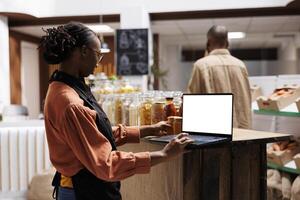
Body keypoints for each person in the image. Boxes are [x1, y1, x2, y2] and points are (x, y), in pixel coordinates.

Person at [40, 22, 193, 200]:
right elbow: (105, 164)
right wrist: (165, 154)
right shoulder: (70, 102)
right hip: (82, 190)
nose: (98, 64)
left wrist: (146, 130)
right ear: (83, 51)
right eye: (98, 55)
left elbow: (93, 134)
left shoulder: (61, 86)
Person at [187, 25, 252, 129]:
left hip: (216, 135)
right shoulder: (240, 65)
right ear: (227, 43)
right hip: (243, 133)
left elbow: (192, 104)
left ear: (208, 42)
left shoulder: (201, 65)